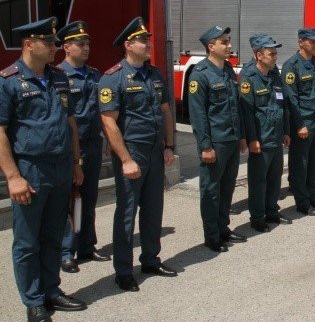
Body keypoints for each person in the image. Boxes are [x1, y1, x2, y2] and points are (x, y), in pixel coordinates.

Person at [0, 17, 87, 322]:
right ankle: (33, 299)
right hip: (31, 170)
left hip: (61, 168)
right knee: (27, 241)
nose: (55, 48)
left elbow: (70, 123)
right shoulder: (8, 81)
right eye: (48, 42)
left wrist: (76, 164)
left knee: (53, 235)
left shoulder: (59, 78)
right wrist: (13, 177)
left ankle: (51, 290)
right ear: (29, 44)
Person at [98, 17, 177, 292]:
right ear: (129, 45)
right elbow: (109, 122)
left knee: (154, 210)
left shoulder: (155, 74)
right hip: (133, 153)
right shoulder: (113, 77)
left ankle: (151, 260)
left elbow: (166, 111)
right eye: (144, 41)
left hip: (156, 152)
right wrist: (126, 159)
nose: (149, 44)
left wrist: (169, 146)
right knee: (127, 213)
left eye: (149, 40)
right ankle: (123, 271)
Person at [187, 26, 248, 252]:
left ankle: (223, 229)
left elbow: (236, 106)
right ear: (211, 47)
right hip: (215, 143)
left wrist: (241, 136)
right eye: (224, 42)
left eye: (229, 41)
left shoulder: (229, 71)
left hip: (231, 140)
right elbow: (198, 114)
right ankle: (211, 236)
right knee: (211, 191)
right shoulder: (200, 74)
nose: (229, 45)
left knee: (227, 187)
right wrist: (205, 146)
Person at [57, 21, 110, 274]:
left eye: (87, 43)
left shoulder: (94, 75)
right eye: (81, 44)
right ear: (67, 47)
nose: (86, 47)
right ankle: (67, 251)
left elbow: (101, 111)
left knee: (89, 198)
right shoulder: (57, 76)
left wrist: (109, 139)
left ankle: (88, 246)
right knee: (71, 200)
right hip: (69, 149)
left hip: (92, 144)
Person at [239, 34, 292, 232]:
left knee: (275, 178)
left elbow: (282, 105)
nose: (275, 56)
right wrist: (252, 138)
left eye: (276, 52)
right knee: (258, 182)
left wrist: (286, 131)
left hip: (276, 137)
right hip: (260, 139)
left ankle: (272, 212)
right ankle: (257, 217)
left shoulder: (274, 75)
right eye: (271, 53)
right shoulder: (248, 77)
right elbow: (247, 112)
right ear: (259, 55)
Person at [281, 28, 315, 216]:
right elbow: (291, 99)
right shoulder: (292, 66)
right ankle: (302, 202)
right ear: (301, 42)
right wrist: (299, 124)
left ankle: (312, 196)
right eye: (311, 41)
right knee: (300, 164)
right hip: (303, 124)